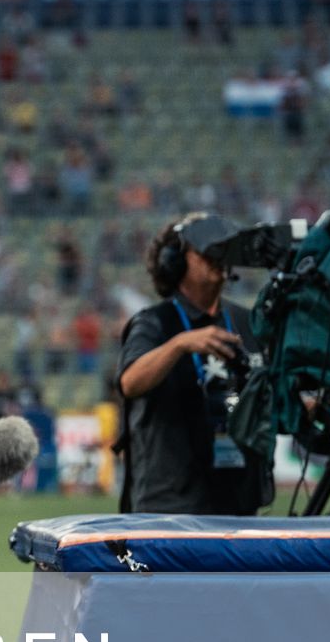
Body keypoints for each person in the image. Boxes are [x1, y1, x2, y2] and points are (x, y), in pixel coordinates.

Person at [116, 213, 271, 515]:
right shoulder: (155, 323)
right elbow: (130, 383)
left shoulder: (246, 322)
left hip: (237, 501)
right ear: (175, 261)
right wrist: (179, 344)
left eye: (223, 249)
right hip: (169, 505)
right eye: (205, 249)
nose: (217, 257)